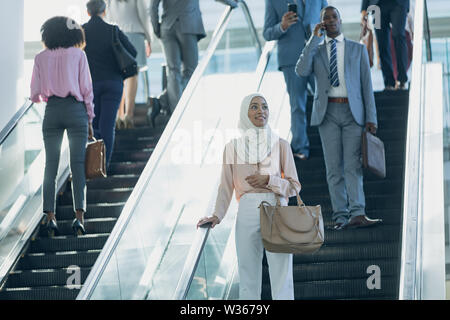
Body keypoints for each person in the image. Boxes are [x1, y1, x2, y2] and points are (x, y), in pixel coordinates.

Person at [197, 93, 301, 300]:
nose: (261, 111)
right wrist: (216, 215)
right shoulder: (232, 148)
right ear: (245, 112)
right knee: (247, 273)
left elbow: (294, 187)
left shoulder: (280, 145)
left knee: (282, 274)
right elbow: (225, 187)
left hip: (276, 207)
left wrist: (269, 181)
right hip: (246, 209)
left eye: (264, 106)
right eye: (254, 107)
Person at [296, 6, 382, 230]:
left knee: (352, 166)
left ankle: (358, 212)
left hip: (353, 113)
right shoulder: (316, 50)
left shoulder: (357, 49)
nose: (331, 20)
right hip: (327, 114)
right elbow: (301, 70)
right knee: (333, 168)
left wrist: (371, 118)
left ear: (341, 20)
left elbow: (367, 87)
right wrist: (313, 40)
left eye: (334, 16)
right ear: (322, 23)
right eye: (326, 18)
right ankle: (340, 216)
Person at [30, 16, 94, 237]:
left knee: (50, 166)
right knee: (77, 166)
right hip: (76, 111)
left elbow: (35, 94)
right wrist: (90, 119)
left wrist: (49, 90)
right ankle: (79, 219)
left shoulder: (40, 58)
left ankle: (50, 218)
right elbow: (86, 90)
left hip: (52, 112)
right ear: (72, 34)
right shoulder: (79, 55)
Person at [263, 0, 328, 160]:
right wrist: (282, 26)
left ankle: (332, 144)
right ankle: (300, 147)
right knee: (297, 104)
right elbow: (267, 33)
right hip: (291, 58)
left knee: (327, 101)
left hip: (317, 55)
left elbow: (329, 21)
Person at [83, 0, 137, 167]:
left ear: (88, 12)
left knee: (93, 124)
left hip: (90, 85)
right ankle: (103, 166)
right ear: (104, 11)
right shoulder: (113, 30)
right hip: (113, 84)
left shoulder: (81, 31)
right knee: (108, 125)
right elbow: (133, 52)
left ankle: (92, 165)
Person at [149, 0, 206, 126]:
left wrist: (156, 28)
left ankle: (169, 106)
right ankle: (183, 109)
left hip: (167, 26)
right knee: (190, 72)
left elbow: (153, 6)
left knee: (173, 71)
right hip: (188, 23)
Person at [106, 0, 153, 128]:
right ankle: (129, 115)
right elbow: (144, 15)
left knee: (118, 77)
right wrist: (149, 38)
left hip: (115, 37)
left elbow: (107, 16)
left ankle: (119, 116)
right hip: (135, 34)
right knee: (132, 76)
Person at [361, 0, 410, 90]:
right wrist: (364, 8)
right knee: (381, 41)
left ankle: (402, 79)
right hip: (376, 6)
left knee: (398, 35)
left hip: (398, 4)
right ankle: (388, 82)